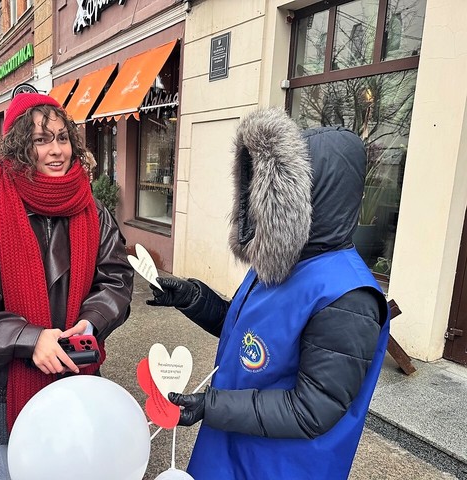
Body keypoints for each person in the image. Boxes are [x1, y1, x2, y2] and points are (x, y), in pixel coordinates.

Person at [147, 108, 390, 480]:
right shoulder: (284, 260)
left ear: (311, 198)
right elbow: (248, 336)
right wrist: (193, 298)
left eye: (275, 192)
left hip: (279, 465)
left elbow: (312, 409)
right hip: (236, 445)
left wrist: (211, 406)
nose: (263, 205)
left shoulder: (347, 297)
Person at [0, 92, 134, 480]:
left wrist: (92, 321)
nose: (56, 150)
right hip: (9, 391)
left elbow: (117, 279)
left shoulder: (95, 212)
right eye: (41, 140)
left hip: (78, 380)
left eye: (62, 138)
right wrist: (29, 339)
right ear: (20, 148)